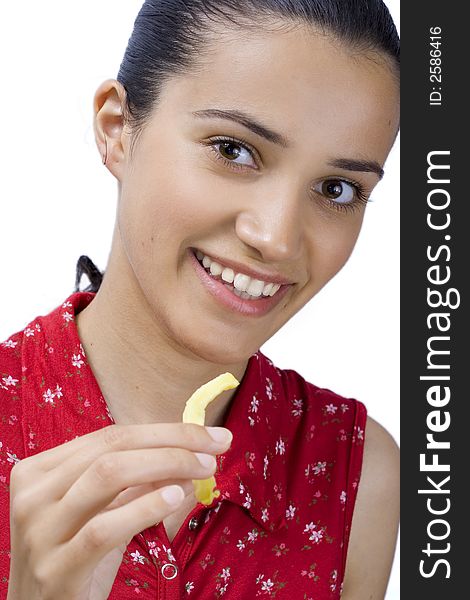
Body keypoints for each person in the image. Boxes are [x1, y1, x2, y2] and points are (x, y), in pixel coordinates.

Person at [0, 0, 400, 598]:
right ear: (117, 129)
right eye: (234, 150)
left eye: (336, 189)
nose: (277, 237)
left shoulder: (358, 474)